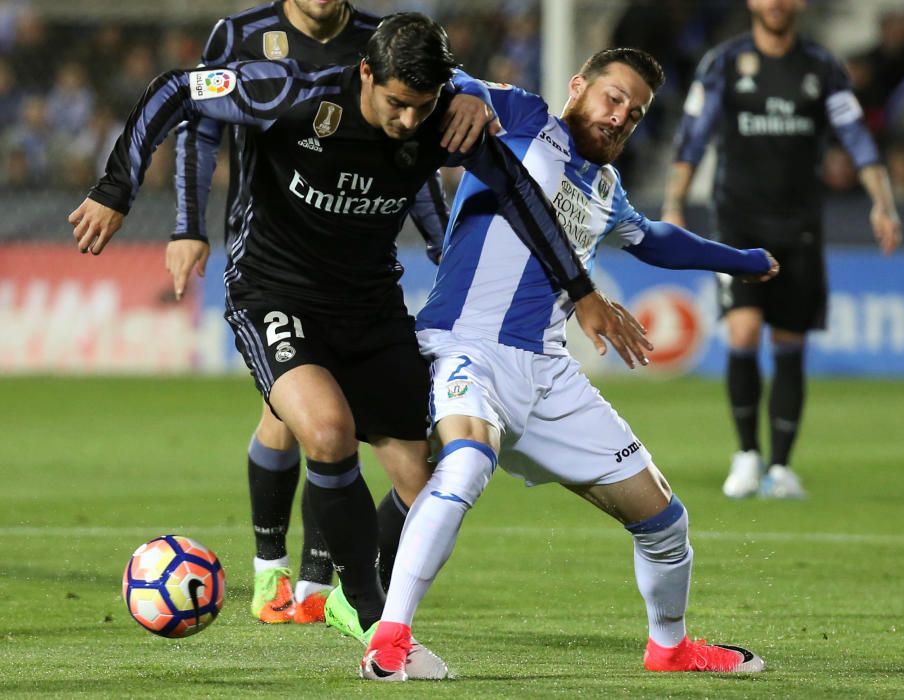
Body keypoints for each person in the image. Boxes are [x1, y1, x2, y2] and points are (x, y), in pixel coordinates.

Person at [68, 13, 647, 679]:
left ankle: (346, 590)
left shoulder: (441, 118)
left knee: (419, 476)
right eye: (396, 104)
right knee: (327, 431)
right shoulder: (290, 90)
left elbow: (517, 195)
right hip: (273, 293)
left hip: (369, 305)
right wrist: (118, 185)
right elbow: (177, 88)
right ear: (367, 74)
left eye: (420, 107)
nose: (406, 122)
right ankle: (375, 624)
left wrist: (579, 290)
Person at [357, 47, 779, 681]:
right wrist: (466, 89)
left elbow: (654, 239)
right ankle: (388, 645)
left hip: (548, 372)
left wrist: (740, 259)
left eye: (634, 114)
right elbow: (452, 81)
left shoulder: (606, 190)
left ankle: (669, 647)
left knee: (663, 516)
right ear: (577, 86)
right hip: (466, 344)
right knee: (466, 462)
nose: (620, 117)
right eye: (613, 98)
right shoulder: (525, 118)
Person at [167, 0, 477, 626]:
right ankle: (272, 569)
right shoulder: (242, 35)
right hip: (278, 260)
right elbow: (198, 120)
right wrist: (187, 223)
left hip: (358, 274)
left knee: (333, 432)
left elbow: (417, 140)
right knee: (304, 419)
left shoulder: (382, 40)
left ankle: (317, 581)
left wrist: (472, 95)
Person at [661, 0, 902, 500]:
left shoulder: (822, 67)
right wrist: (674, 205)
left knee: (790, 343)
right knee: (744, 332)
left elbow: (856, 138)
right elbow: (692, 139)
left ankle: (782, 468)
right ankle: (747, 454)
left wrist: (883, 202)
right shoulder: (724, 63)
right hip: (737, 223)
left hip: (800, 226)